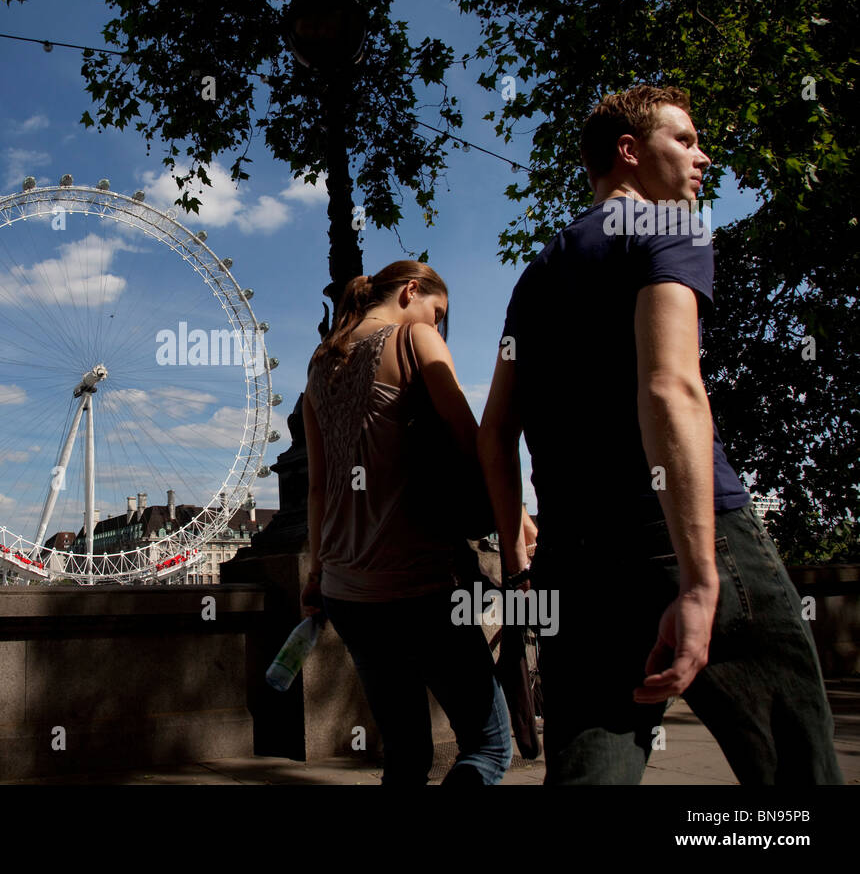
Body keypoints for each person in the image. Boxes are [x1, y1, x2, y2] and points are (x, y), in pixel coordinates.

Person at [477, 84, 843, 784]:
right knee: (795, 773)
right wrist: (702, 580)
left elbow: (495, 435)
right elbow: (670, 388)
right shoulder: (668, 228)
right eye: (686, 140)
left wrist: (522, 565)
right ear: (630, 151)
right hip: (679, 540)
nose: (703, 158)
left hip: (574, 563)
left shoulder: (536, 276)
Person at [300, 260, 530, 785]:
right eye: (437, 310)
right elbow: (474, 442)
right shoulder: (416, 338)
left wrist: (315, 576)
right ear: (411, 292)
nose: (437, 322)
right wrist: (516, 518)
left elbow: (317, 487)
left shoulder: (317, 365)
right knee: (488, 747)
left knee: (405, 753)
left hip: (346, 590)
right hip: (420, 581)